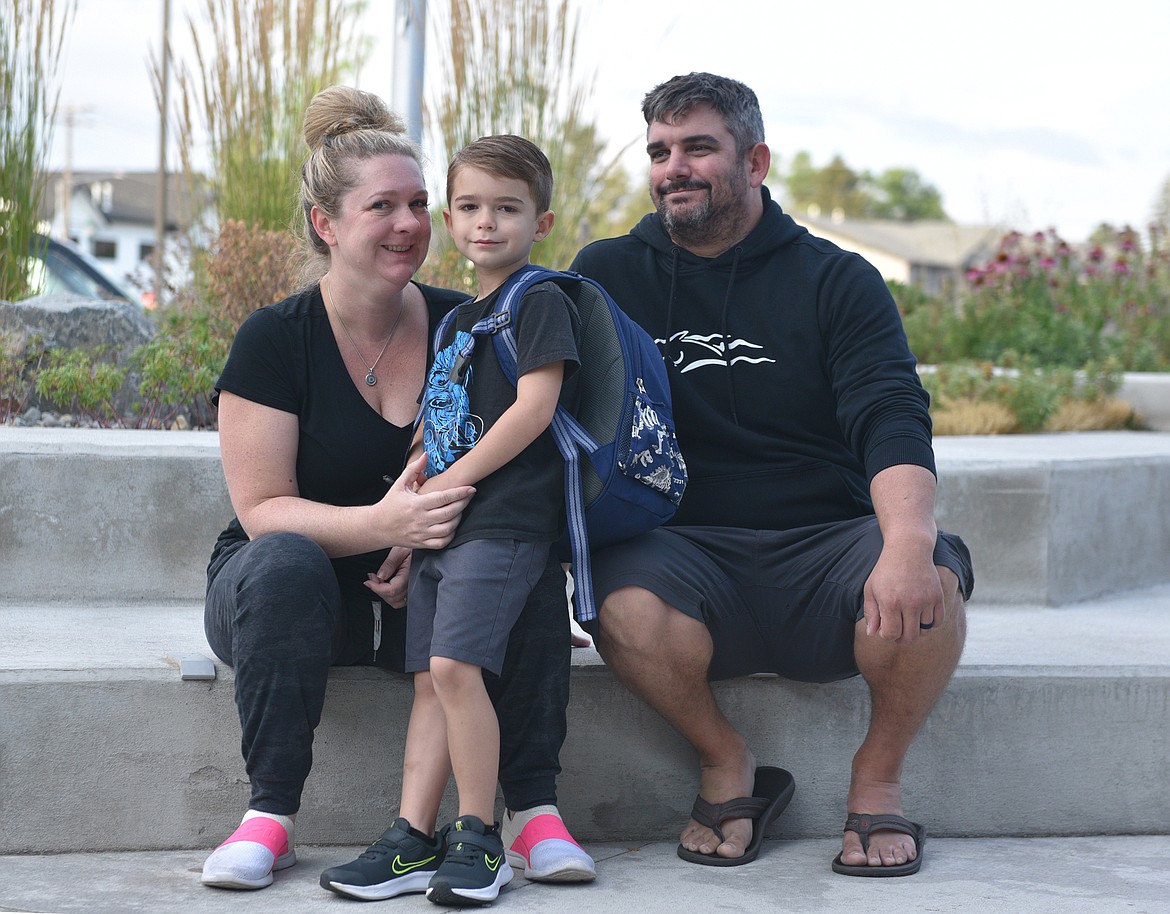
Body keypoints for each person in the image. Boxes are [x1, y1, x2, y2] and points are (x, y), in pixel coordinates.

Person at [570, 72, 975, 877]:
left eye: (697, 147)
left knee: (930, 581)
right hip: (678, 547)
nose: (673, 167)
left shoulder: (837, 279)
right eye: (659, 151)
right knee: (615, 606)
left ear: (754, 161)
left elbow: (891, 412)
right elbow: (545, 401)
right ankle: (726, 761)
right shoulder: (608, 273)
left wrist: (906, 540)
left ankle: (878, 778)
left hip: (823, 542)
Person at [199, 88, 594, 892]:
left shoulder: (469, 321)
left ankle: (533, 811)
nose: (410, 223)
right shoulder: (276, 338)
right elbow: (263, 509)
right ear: (326, 223)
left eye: (420, 203)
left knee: (517, 561)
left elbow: (500, 462)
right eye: (383, 205)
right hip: (298, 599)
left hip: (430, 580)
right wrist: (388, 524)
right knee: (282, 562)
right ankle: (268, 818)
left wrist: (423, 539)